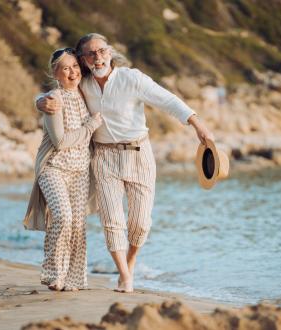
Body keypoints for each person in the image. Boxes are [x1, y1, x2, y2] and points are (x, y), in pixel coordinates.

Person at [36, 33, 214, 293]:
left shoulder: (133, 78)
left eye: (102, 51)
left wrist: (198, 125)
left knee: (140, 223)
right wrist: (39, 101)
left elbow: (168, 100)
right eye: (91, 54)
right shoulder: (83, 82)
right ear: (84, 59)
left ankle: (129, 262)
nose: (98, 57)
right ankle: (124, 275)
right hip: (104, 158)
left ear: (110, 52)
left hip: (139, 154)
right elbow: (56, 91)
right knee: (112, 221)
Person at [24, 47, 102, 291]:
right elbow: (61, 142)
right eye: (65, 68)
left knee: (78, 225)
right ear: (55, 73)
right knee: (62, 217)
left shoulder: (85, 92)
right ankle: (53, 272)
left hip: (80, 170)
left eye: (75, 66)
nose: (72, 72)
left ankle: (74, 279)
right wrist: (91, 125)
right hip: (53, 168)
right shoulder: (53, 100)